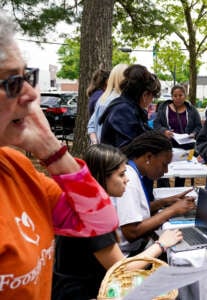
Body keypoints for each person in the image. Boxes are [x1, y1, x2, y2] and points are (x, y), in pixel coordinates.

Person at [0, 11, 118, 299]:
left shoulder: (14, 164)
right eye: (11, 83)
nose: (31, 95)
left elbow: (98, 222)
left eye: (27, 77)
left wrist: (51, 149)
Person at [52, 144, 183, 299]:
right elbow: (122, 269)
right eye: (121, 175)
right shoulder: (93, 218)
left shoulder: (85, 204)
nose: (127, 180)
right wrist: (161, 244)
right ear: (102, 176)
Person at [114, 131, 196, 256]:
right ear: (149, 157)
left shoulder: (133, 172)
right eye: (164, 164)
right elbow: (131, 232)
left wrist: (165, 202)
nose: (166, 170)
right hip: (128, 256)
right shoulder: (129, 180)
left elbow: (136, 210)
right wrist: (172, 210)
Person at [99, 64, 161, 148]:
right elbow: (131, 147)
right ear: (145, 95)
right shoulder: (123, 111)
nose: (151, 101)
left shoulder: (128, 107)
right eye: (152, 97)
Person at [154, 85, 202, 186]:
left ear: (185, 96)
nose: (178, 98)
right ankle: (164, 192)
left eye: (180, 95)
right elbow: (157, 124)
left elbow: (198, 126)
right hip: (167, 145)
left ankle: (179, 190)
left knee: (182, 173)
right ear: (171, 96)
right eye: (175, 95)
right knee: (163, 170)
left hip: (186, 147)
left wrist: (194, 134)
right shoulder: (164, 108)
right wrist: (164, 131)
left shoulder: (192, 110)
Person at [87, 63, 128, 144]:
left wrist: (95, 145)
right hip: (110, 153)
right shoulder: (115, 101)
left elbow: (91, 126)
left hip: (102, 152)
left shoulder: (104, 97)